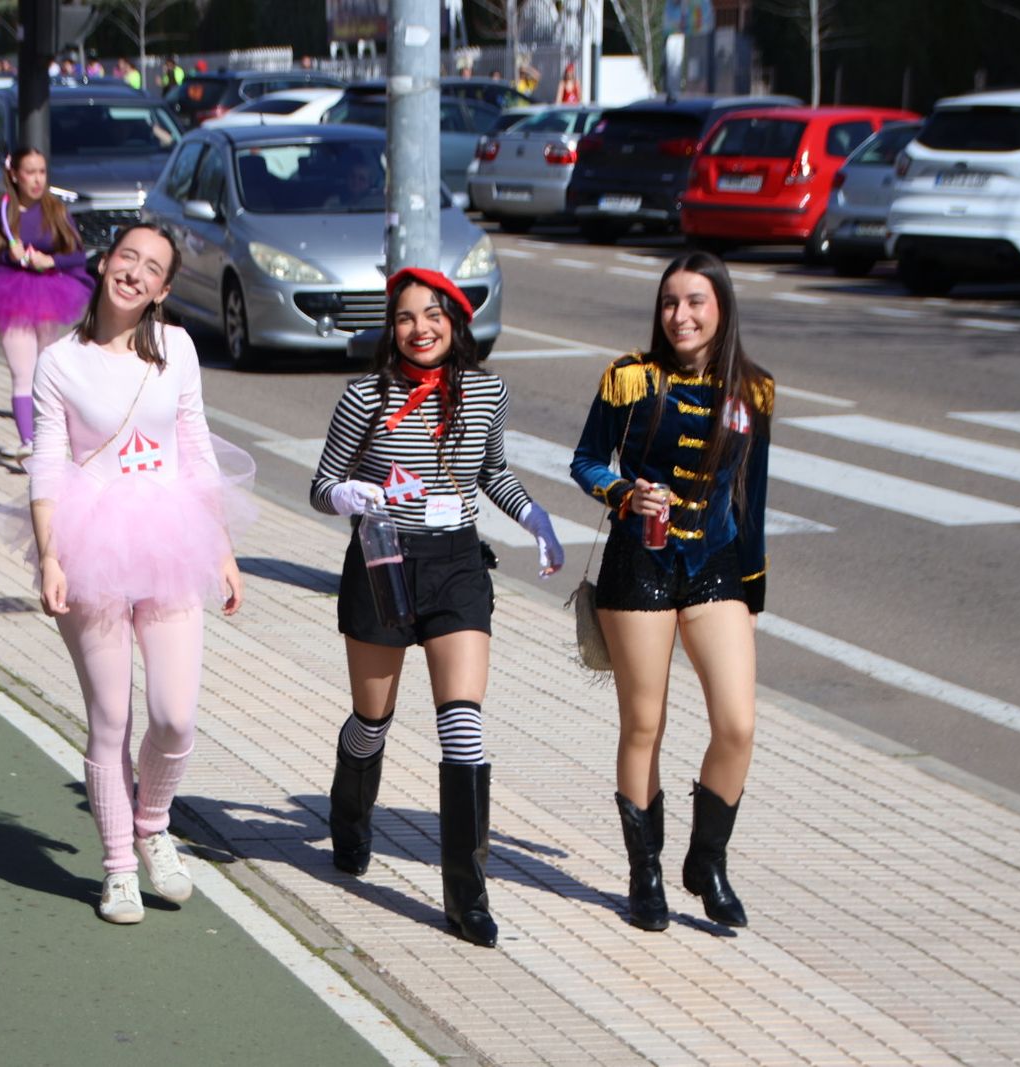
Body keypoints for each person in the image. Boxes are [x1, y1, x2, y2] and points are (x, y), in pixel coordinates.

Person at [309, 268, 565, 948]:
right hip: (382, 560)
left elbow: (493, 472)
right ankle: (351, 816)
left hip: (455, 564)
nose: (420, 328)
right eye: (405, 317)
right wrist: (352, 498)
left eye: (433, 315)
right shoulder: (365, 394)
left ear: (456, 322)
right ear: (390, 328)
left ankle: (465, 896)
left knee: (463, 725)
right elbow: (321, 483)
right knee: (372, 720)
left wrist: (536, 517)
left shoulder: (486, 391)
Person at [19, 222, 251, 924]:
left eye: (152, 268)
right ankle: (119, 866)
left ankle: (154, 825)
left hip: (173, 536)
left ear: (163, 289)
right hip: (90, 543)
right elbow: (47, 462)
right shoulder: (60, 360)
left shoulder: (176, 347)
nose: (135, 274)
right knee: (111, 717)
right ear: (104, 263)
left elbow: (197, 447)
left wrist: (222, 547)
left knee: (175, 716)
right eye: (128, 258)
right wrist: (51, 554)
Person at [569, 251, 772, 933]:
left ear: (721, 308)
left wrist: (753, 590)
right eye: (669, 303)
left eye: (695, 302)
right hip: (641, 562)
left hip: (715, 565)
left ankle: (706, 861)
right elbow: (586, 459)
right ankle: (644, 871)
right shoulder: (630, 379)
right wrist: (625, 490)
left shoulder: (754, 390)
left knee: (737, 724)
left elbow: (754, 498)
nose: (680, 316)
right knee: (644, 724)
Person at [0, 146, 93, 462]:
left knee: (48, 370)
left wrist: (51, 260)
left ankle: (50, 435)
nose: (37, 180)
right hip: (9, 296)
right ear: (14, 175)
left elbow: (77, 255)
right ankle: (28, 441)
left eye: (41, 172)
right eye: (29, 172)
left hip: (51, 294)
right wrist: (7, 254)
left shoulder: (56, 211)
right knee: (24, 371)